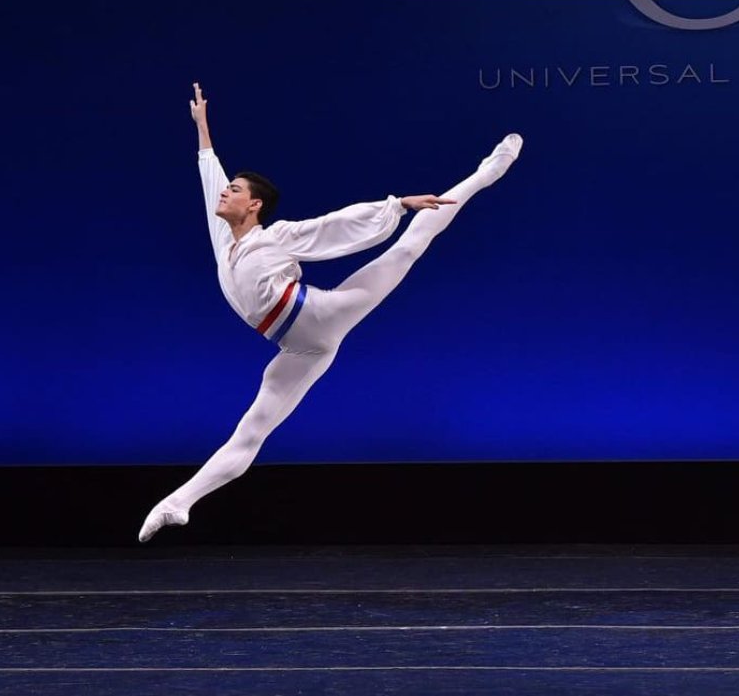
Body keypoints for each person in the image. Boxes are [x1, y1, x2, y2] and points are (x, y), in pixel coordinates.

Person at [138, 82, 522, 542]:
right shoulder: (226, 243)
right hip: (297, 349)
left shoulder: (274, 236)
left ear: (254, 204)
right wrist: (202, 129)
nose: (225, 195)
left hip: (321, 314)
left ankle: (485, 171)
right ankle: (179, 502)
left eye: (235, 191)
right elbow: (211, 182)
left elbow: (333, 227)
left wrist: (397, 205)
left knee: (408, 248)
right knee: (251, 430)